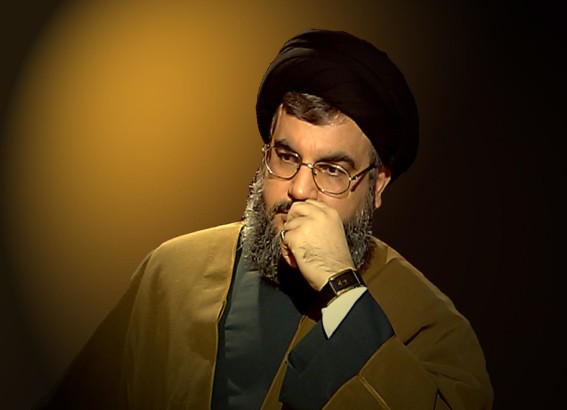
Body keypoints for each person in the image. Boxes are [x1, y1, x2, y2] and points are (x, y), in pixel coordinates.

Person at [38, 29, 493, 409]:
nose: (299, 189)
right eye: (287, 156)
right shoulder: (171, 272)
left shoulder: (428, 323)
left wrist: (342, 289)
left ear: (376, 186)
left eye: (332, 170)